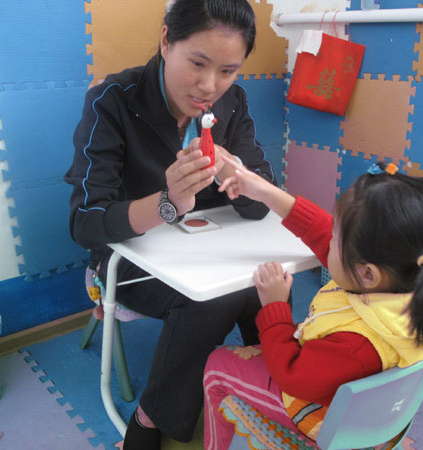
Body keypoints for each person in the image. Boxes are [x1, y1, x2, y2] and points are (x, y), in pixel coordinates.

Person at [64, 1, 275, 448]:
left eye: (228, 70)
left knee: (266, 279)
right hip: (129, 260)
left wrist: (238, 175)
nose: (209, 86)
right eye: (197, 64)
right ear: (166, 40)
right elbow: (85, 223)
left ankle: (278, 389)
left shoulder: (231, 104)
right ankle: (148, 420)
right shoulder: (113, 101)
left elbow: (259, 209)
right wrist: (167, 203)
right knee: (216, 298)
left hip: (205, 249)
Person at [203, 160, 423, 449]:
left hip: (321, 414)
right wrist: (267, 193)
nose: (329, 240)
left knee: (217, 366)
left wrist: (274, 307)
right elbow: (324, 235)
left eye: (336, 239)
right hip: (380, 415)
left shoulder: (356, 345)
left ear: (367, 273)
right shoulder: (417, 276)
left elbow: (291, 377)